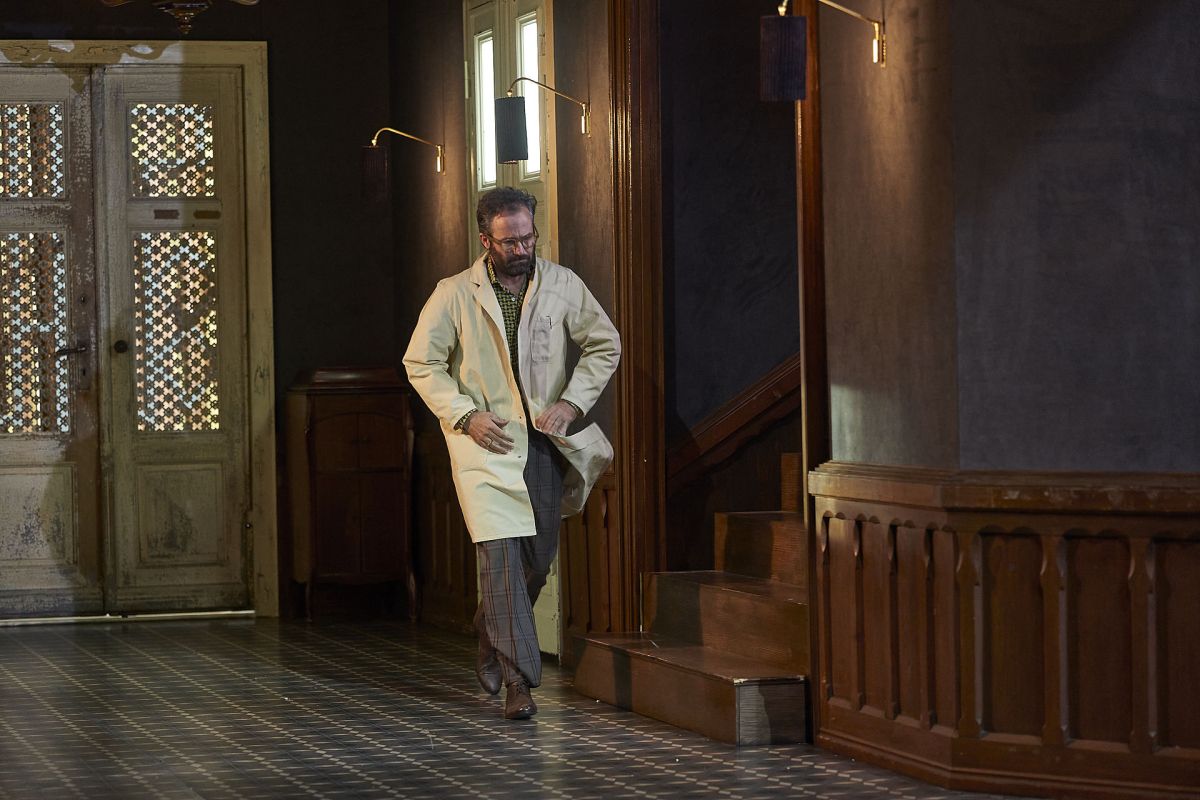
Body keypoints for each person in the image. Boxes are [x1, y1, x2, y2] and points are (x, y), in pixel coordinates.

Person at [403, 187, 621, 720]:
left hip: (542, 443)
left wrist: (570, 403)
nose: (522, 249)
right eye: (510, 242)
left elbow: (605, 343)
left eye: (528, 238)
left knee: (536, 561)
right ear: (486, 241)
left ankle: (489, 627)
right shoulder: (454, 294)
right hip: (485, 446)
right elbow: (420, 362)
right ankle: (519, 685)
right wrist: (465, 415)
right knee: (500, 564)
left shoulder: (562, 284)